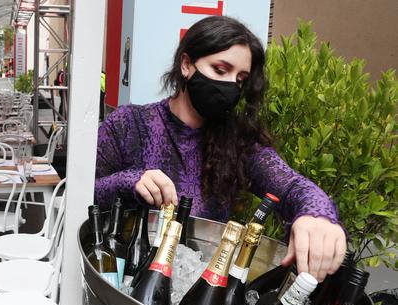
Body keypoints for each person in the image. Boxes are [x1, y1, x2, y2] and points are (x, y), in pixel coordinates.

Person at [94, 16, 346, 282]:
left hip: (193, 287)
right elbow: (85, 193)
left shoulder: (239, 143)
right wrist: (130, 181)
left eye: (240, 79)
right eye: (220, 70)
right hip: (121, 276)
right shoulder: (128, 125)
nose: (229, 86)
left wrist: (317, 214)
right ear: (187, 65)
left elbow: (292, 185)